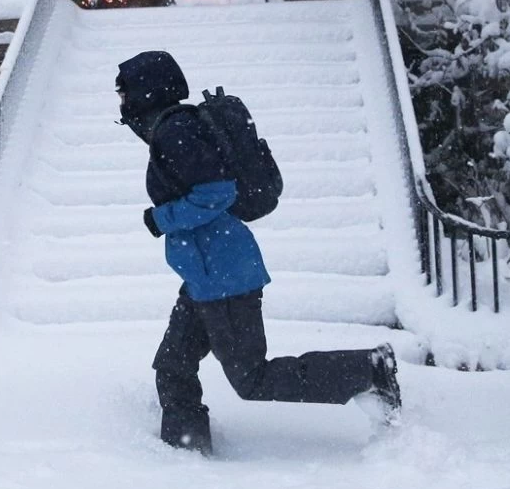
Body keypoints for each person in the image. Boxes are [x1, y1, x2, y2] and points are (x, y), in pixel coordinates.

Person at [115, 50, 402, 456]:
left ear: (147, 91)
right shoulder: (173, 128)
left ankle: (367, 370)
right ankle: (185, 453)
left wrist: (162, 218)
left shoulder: (175, 133)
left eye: (124, 93)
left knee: (253, 379)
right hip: (205, 275)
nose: (122, 103)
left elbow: (217, 193)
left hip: (224, 278)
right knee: (173, 365)